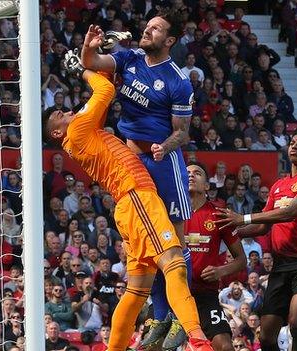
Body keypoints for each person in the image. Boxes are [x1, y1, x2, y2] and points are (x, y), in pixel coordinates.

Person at [45, 57, 212, 350]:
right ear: (57, 132)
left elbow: (106, 84)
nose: (66, 110)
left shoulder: (82, 133)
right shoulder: (77, 130)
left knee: (136, 290)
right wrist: (84, 71)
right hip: (137, 196)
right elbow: (104, 93)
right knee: (174, 263)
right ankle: (198, 341)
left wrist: (98, 56)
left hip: (128, 205)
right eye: (59, 114)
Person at [80, 15, 194, 346]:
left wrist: (166, 146)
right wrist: (88, 49)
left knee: (175, 242)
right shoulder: (129, 57)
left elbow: (183, 132)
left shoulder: (178, 81)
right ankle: (160, 316)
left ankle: (178, 318)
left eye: (156, 28)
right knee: (147, 245)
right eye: (148, 26)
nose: (147, 30)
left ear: (169, 40)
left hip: (162, 161)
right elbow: (91, 61)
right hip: (132, 161)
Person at [214, 129, 297, 351]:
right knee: (266, 335)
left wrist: (242, 217)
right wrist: (231, 231)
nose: (294, 146)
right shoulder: (278, 185)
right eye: (292, 142)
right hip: (280, 266)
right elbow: (261, 226)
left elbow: (291, 212)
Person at [186, 162, 247, 351]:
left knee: (225, 347)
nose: (191, 175)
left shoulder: (219, 215)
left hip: (205, 294)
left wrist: (220, 271)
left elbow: (241, 260)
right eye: (187, 173)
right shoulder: (169, 212)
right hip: (173, 293)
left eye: (197, 173)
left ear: (206, 186)